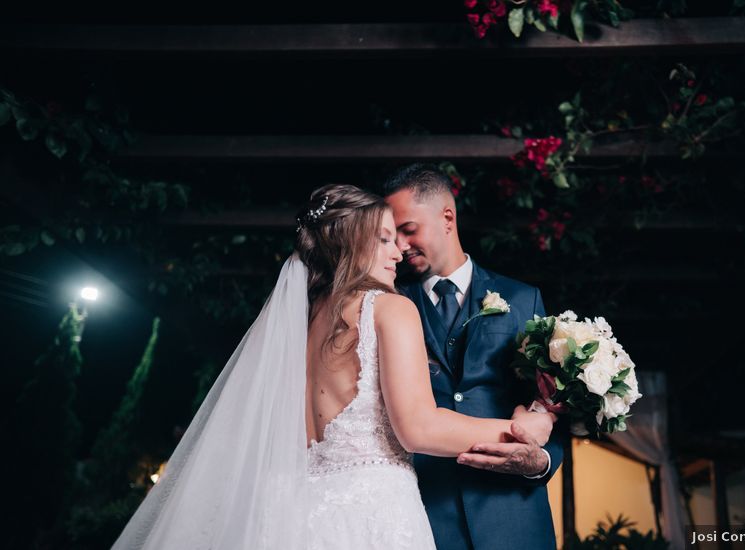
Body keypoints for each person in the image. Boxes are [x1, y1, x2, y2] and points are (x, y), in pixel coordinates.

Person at [111, 184, 553, 550]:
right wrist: (522, 430)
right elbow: (418, 428)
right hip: (373, 517)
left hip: (293, 517)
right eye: (383, 238)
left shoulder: (296, 325)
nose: (397, 251)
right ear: (350, 242)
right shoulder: (390, 309)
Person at [386, 164, 566, 550]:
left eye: (408, 229)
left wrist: (541, 461)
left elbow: (551, 405)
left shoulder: (522, 298)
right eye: (393, 234)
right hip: (426, 515)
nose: (400, 246)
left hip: (513, 516)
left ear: (447, 217)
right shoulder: (390, 304)